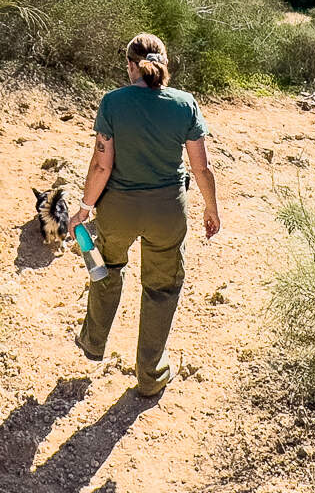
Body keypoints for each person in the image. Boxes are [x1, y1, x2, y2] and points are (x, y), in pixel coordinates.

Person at [70, 32, 221, 400]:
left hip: (118, 211)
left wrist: (84, 209)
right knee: (162, 288)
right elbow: (201, 168)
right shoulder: (185, 104)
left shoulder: (112, 102)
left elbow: (101, 166)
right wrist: (211, 207)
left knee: (104, 270)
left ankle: (93, 342)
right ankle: (151, 376)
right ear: (165, 65)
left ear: (129, 66)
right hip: (167, 212)